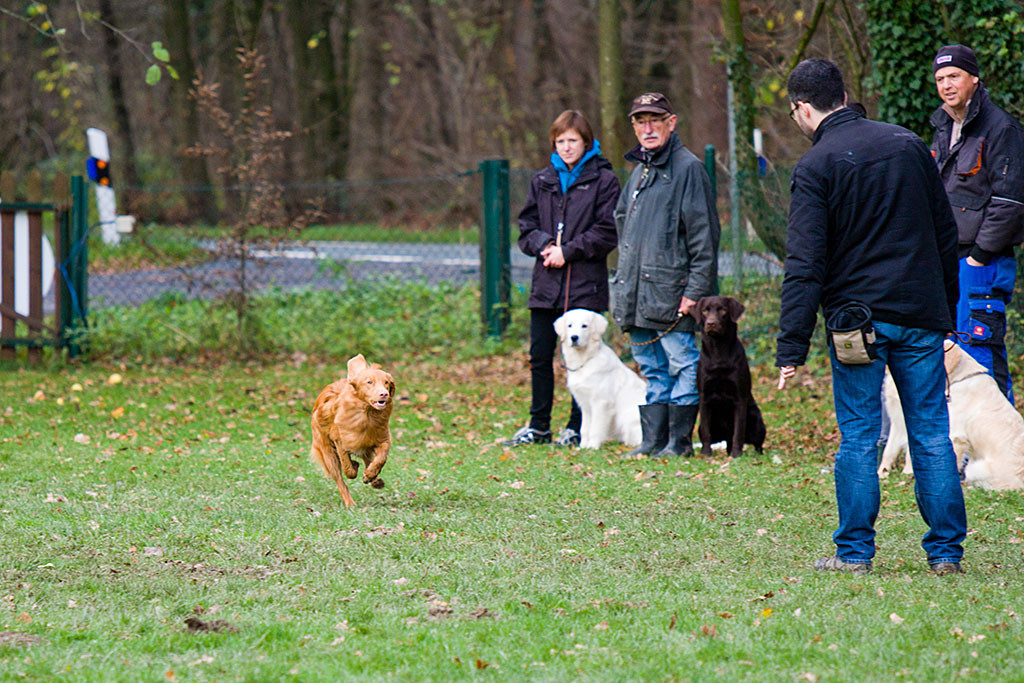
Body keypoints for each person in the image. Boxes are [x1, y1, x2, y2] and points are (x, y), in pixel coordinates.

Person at [777, 59, 967, 576]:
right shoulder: (907, 145)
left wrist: (790, 346)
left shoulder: (816, 167)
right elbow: (944, 233)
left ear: (802, 107)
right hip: (920, 314)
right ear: (844, 93)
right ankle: (946, 553)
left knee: (860, 435)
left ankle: (854, 553)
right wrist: (946, 310)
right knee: (930, 432)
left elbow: (805, 263)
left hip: (855, 323)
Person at [502, 110, 620, 447]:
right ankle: (538, 425)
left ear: (586, 142)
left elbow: (607, 230)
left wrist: (568, 251)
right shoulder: (542, 180)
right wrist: (544, 246)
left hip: (585, 282)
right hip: (545, 285)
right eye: (561, 141)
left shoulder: (604, 180)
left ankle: (577, 427)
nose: (567, 147)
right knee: (540, 354)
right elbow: (526, 229)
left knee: (585, 359)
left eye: (573, 140)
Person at [611, 93, 720, 457]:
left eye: (655, 120)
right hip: (637, 293)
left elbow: (705, 236)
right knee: (651, 367)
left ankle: (679, 442)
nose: (647, 128)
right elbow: (623, 222)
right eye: (640, 121)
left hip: (673, 295)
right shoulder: (640, 170)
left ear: (671, 123)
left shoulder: (687, 169)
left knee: (683, 364)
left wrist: (696, 291)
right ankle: (654, 441)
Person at [930, 44, 1024, 405]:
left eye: (954, 76)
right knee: (954, 359)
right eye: (940, 79)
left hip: (983, 263)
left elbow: (1010, 200)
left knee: (981, 354)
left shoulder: (1001, 129)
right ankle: (965, 452)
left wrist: (979, 257)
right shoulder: (943, 127)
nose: (947, 85)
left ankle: (1003, 446)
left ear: (974, 79)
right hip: (950, 262)